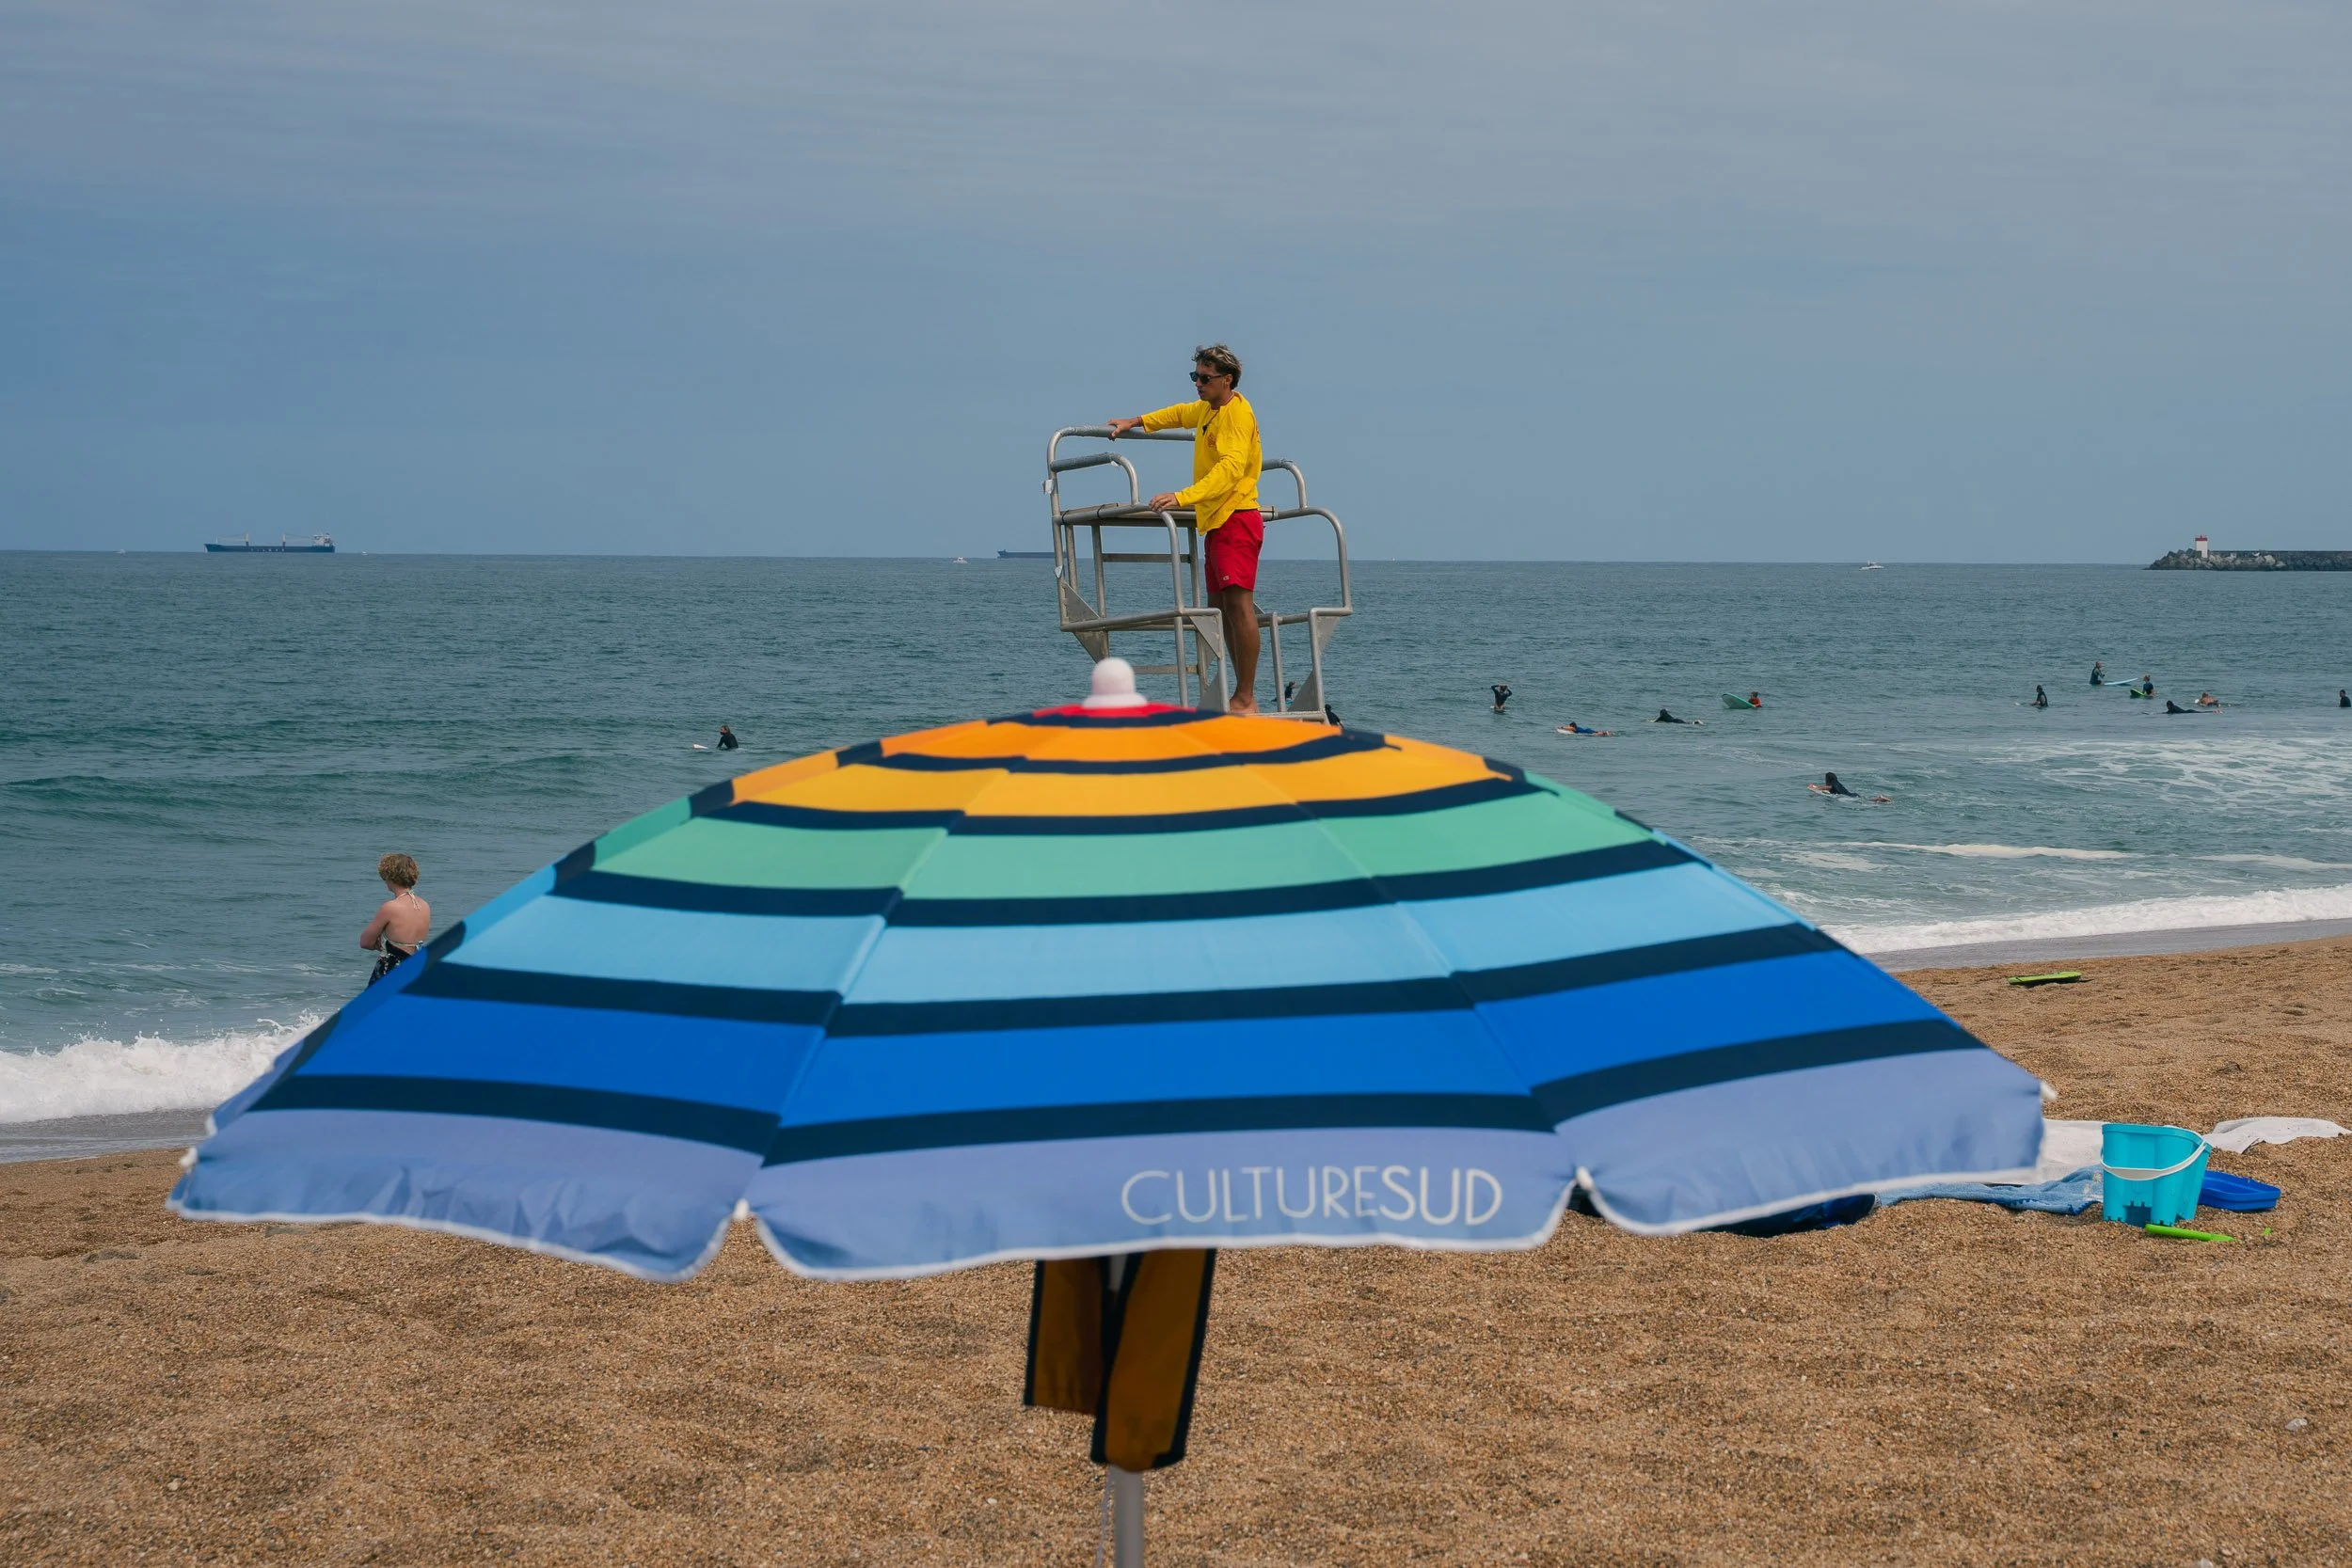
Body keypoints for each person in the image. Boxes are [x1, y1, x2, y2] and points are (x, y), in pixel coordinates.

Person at [1108, 344, 1263, 714]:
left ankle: (1246, 696)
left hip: (1236, 517)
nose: (1198, 383)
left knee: (1240, 607)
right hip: (1217, 520)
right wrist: (1134, 422)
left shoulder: (1236, 415)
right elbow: (1178, 414)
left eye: (1205, 378)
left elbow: (1230, 468)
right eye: (1194, 376)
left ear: (1227, 380)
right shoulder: (1210, 408)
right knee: (1219, 607)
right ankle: (1238, 690)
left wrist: (1183, 497)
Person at [360, 852, 430, 987]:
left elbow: (365, 942)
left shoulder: (391, 907)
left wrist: (380, 943)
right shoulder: (424, 905)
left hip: (392, 969)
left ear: (390, 877)